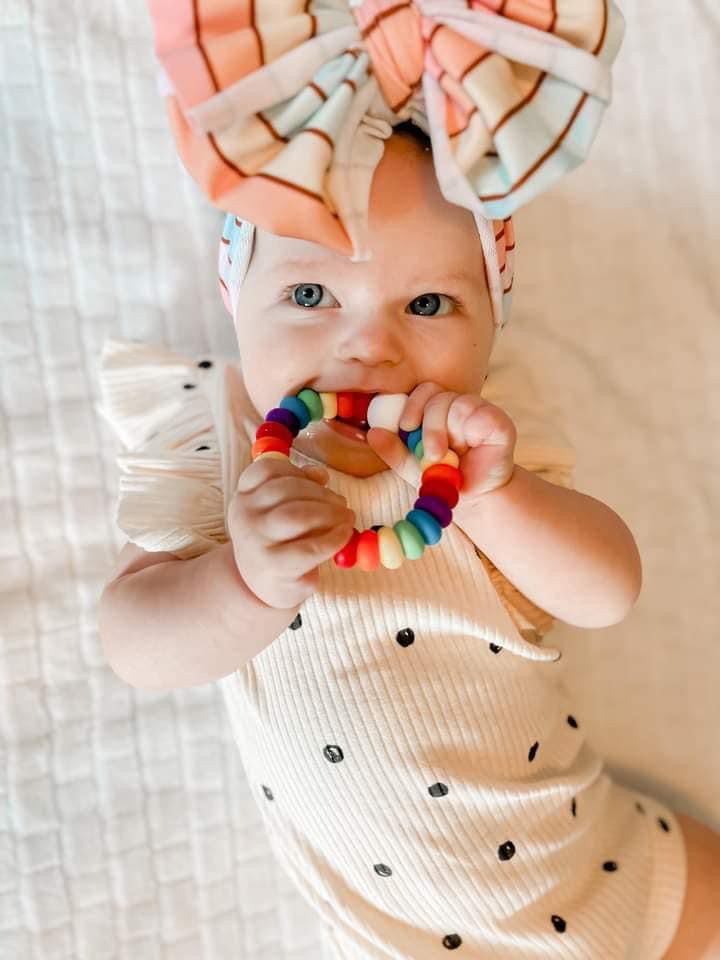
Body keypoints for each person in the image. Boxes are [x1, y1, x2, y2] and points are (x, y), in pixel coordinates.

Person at [96, 126, 720, 958]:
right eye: (311, 295)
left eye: (427, 305)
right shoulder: (223, 443)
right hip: (402, 940)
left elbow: (607, 592)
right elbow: (135, 645)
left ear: (491, 328)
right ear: (236, 298)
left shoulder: (480, 450)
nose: (369, 346)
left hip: (597, 870)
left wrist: (496, 496)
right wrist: (241, 581)